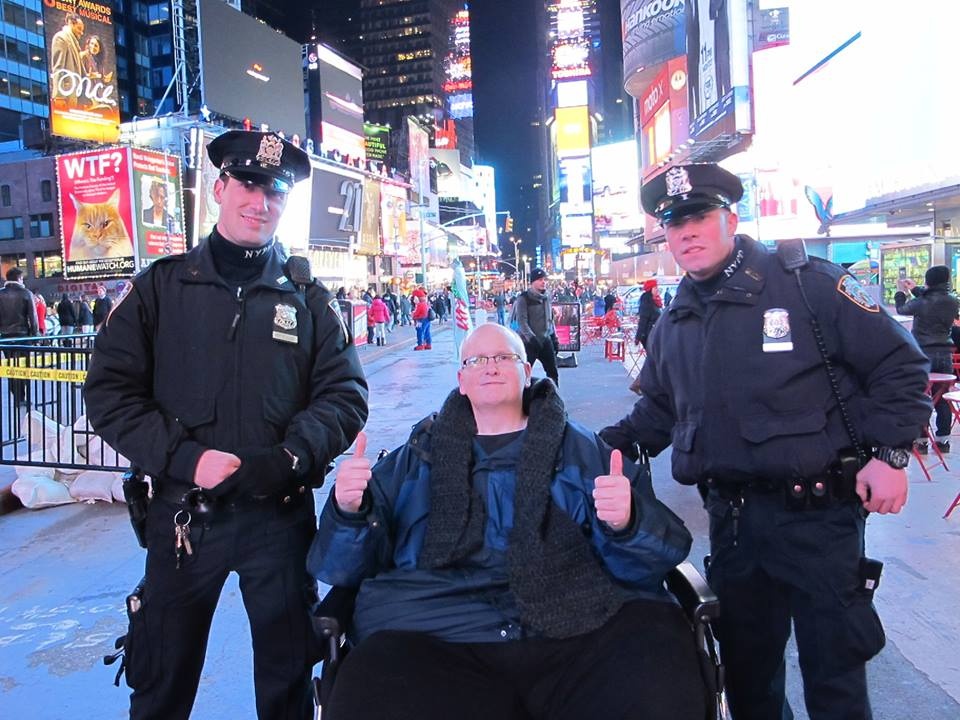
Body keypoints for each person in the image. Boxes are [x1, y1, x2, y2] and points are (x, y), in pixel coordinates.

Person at [599, 163, 931, 720]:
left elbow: (899, 364)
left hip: (819, 521)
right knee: (749, 685)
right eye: (675, 223)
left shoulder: (805, 283)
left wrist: (890, 455)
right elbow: (657, 412)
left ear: (730, 220)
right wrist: (582, 446)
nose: (687, 232)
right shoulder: (674, 322)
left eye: (700, 217)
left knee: (836, 681)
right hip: (733, 528)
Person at [83, 130, 369, 720]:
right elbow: (109, 393)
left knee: (288, 682)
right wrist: (187, 459)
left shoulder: (308, 299)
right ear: (219, 189)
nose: (260, 202)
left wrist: (290, 457)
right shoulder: (160, 289)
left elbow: (345, 395)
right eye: (248, 184)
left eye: (274, 191)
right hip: (185, 519)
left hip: (279, 518)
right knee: (160, 683)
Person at [308, 323, 705, 719]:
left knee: (659, 651)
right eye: (477, 360)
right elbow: (344, 567)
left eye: (503, 357)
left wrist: (626, 525)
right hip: (437, 633)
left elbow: (654, 561)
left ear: (527, 372)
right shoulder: (415, 459)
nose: (490, 366)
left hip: (579, 625)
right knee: (370, 680)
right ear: (462, 380)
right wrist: (349, 511)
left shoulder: (582, 451)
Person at [895, 265, 960, 453]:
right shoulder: (952, 301)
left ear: (929, 280)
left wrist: (901, 293)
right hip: (945, 354)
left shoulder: (921, 302)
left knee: (920, 397)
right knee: (941, 398)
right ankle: (943, 441)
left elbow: (902, 309)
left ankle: (921, 440)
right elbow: (933, 300)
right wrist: (915, 289)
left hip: (922, 354)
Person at [512, 268, 559, 386]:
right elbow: (522, 322)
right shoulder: (524, 298)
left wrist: (554, 337)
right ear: (532, 282)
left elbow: (550, 319)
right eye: (540, 280)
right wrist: (532, 339)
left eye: (544, 279)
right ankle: (522, 396)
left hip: (546, 340)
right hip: (530, 343)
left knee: (553, 373)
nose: (543, 282)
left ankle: (554, 396)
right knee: (524, 375)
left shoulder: (546, 297)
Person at [0, 267, 39, 406]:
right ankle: (23, 396)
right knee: (23, 367)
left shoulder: (0, 294)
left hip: (5, 337)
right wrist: (35, 335)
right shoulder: (26, 293)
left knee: (11, 367)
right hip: (23, 336)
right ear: (19, 278)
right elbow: (33, 317)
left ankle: (17, 396)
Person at [49, 13, 84, 108]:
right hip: (65, 97)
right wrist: (59, 96)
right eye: (79, 28)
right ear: (71, 23)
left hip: (73, 96)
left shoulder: (74, 43)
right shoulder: (61, 38)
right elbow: (58, 68)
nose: (81, 33)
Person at [634, 279, 663, 351]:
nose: (657, 290)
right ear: (650, 289)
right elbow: (643, 319)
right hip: (649, 334)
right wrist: (638, 336)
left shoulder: (655, 301)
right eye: (655, 288)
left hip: (656, 333)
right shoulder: (646, 302)